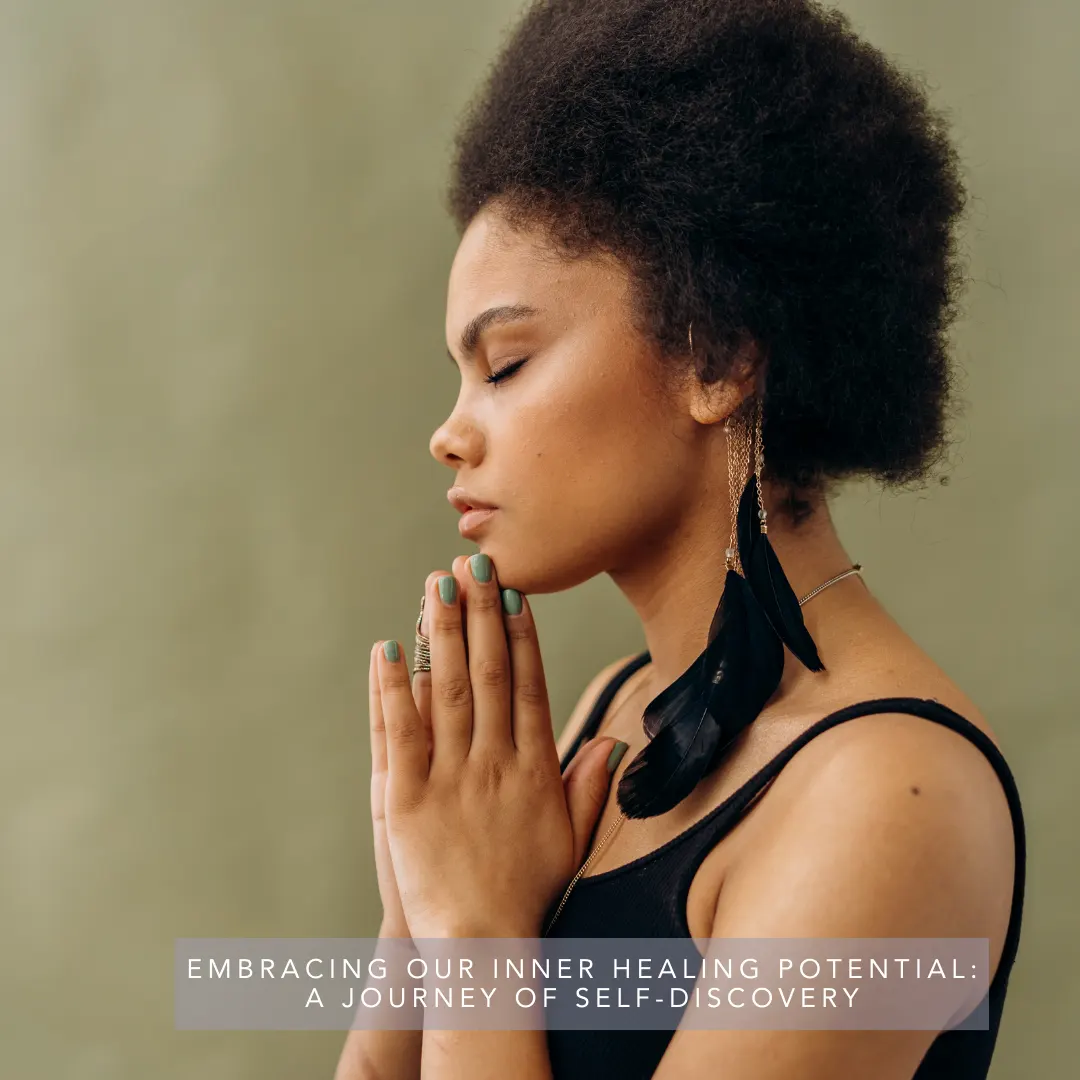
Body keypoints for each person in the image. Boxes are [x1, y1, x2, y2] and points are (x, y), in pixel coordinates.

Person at [335, 1, 1025, 1077]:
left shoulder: (886, 794)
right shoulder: (613, 715)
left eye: (506, 365)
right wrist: (419, 899)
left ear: (716, 359)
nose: (448, 434)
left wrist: (476, 935)